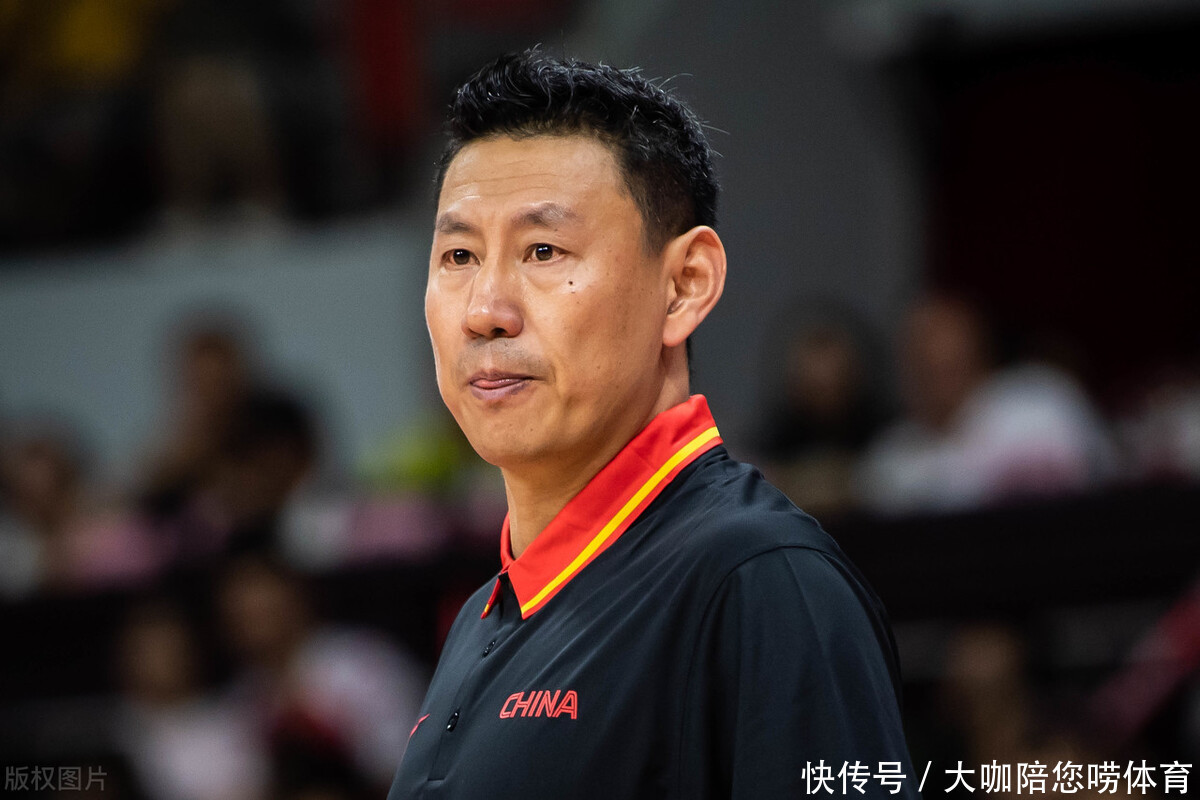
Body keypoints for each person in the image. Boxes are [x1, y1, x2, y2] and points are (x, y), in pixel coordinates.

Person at [388, 50, 916, 799]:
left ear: (685, 285)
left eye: (544, 250)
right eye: (459, 255)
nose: (485, 310)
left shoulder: (761, 579)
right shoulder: (485, 611)